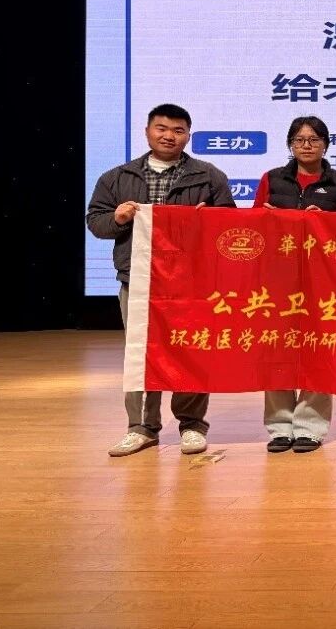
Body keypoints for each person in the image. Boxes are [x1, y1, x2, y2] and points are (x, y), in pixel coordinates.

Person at [86, 103, 235, 457]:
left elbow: (229, 228)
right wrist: (118, 218)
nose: (169, 136)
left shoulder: (208, 176)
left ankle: (192, 425)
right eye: (162, 128)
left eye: (178, 130)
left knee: (191, 349)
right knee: (141, 352)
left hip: (192, 282)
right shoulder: (117, 177)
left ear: (188, 136)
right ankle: (141, 427)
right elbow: (96, 222)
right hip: (138, 281)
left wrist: (210, 221)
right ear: (148, 131)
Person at [253, 116, 336, 454]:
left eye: (314, 139)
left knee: (318, 351)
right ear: (290, 144)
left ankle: (310, 428)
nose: (307, 145)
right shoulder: (271, 179)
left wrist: (326, 222)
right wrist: (266, 217)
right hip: (277, 279)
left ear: (325, 144)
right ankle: (279, 427)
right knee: (277, 349)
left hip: (322, 281)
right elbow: (254, 225)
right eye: (299, 140)